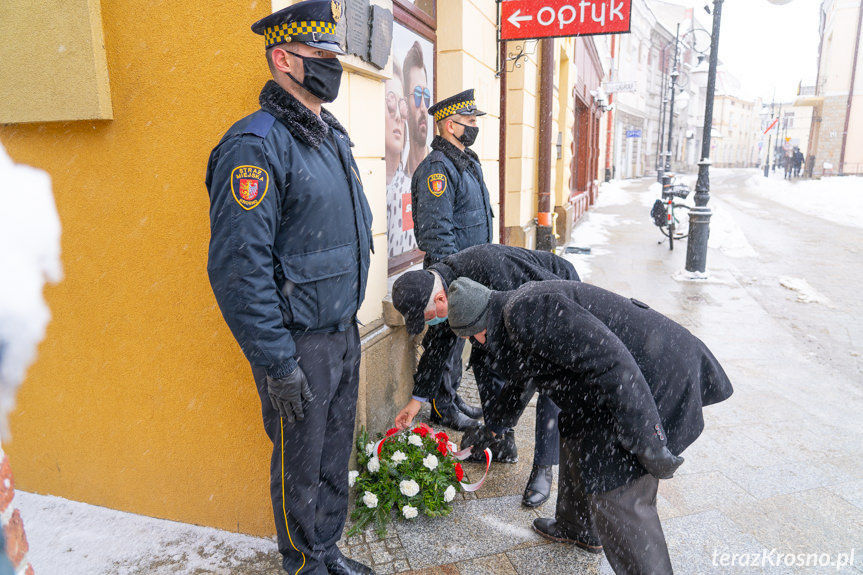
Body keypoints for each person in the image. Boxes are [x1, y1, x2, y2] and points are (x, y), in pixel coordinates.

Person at [204, 2, 374, 574]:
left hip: (341, 330)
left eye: (335, 55)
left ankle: (326, 550)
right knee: (299, 463)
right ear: (284, 59)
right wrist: (278, 363)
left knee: (331, 457)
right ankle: (303, 563)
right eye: (321, 56)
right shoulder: (255, 146)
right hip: (299, 343)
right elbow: (238, 269)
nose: (333, 66)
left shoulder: (331, 137)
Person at [449, 278, 733, 574]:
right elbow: (523, 377)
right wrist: (495, 428)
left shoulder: (525, 311)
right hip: (619, 381)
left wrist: (648, 438)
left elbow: (613, 364)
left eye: (472, 337)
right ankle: (578, 527)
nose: (476, 343)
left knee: (619, 489)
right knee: (575, 428)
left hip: (653, 374)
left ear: (479, 326)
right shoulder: (511, 313)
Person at [391, 244, 580, 508]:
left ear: (441, 300)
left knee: (550, 375)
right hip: (511, 301)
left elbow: (524, 366)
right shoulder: (438, 286)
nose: (429, 323)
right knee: (483, 358)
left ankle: (543, 467)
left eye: (428, 317)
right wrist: (416, 401)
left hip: (554, 291)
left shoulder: (490, 272)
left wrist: (506, 408)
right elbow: (437, 348)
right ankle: (501, 442)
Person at [409, 89, 494, 431]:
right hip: (452, 276)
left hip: (470, 272)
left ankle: (452, 395)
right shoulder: (437, 171)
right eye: (469, 121)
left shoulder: (466, 160)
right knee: (443, 341)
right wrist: (451, 281)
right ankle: (441, 406)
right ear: (449, 125)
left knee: (458, 339)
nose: (474, 126)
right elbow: (436, 233)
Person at [385, 61, 417, 258]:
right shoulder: (363, 180)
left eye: (402, 106)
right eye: (390, 104)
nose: (398, 116)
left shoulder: (408, 188)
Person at [402, 41, 431, 177]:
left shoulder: (437, 168)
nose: (424, 108)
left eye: (426, 96)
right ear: (406, 105)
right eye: (418, 94)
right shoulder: (401, 174)